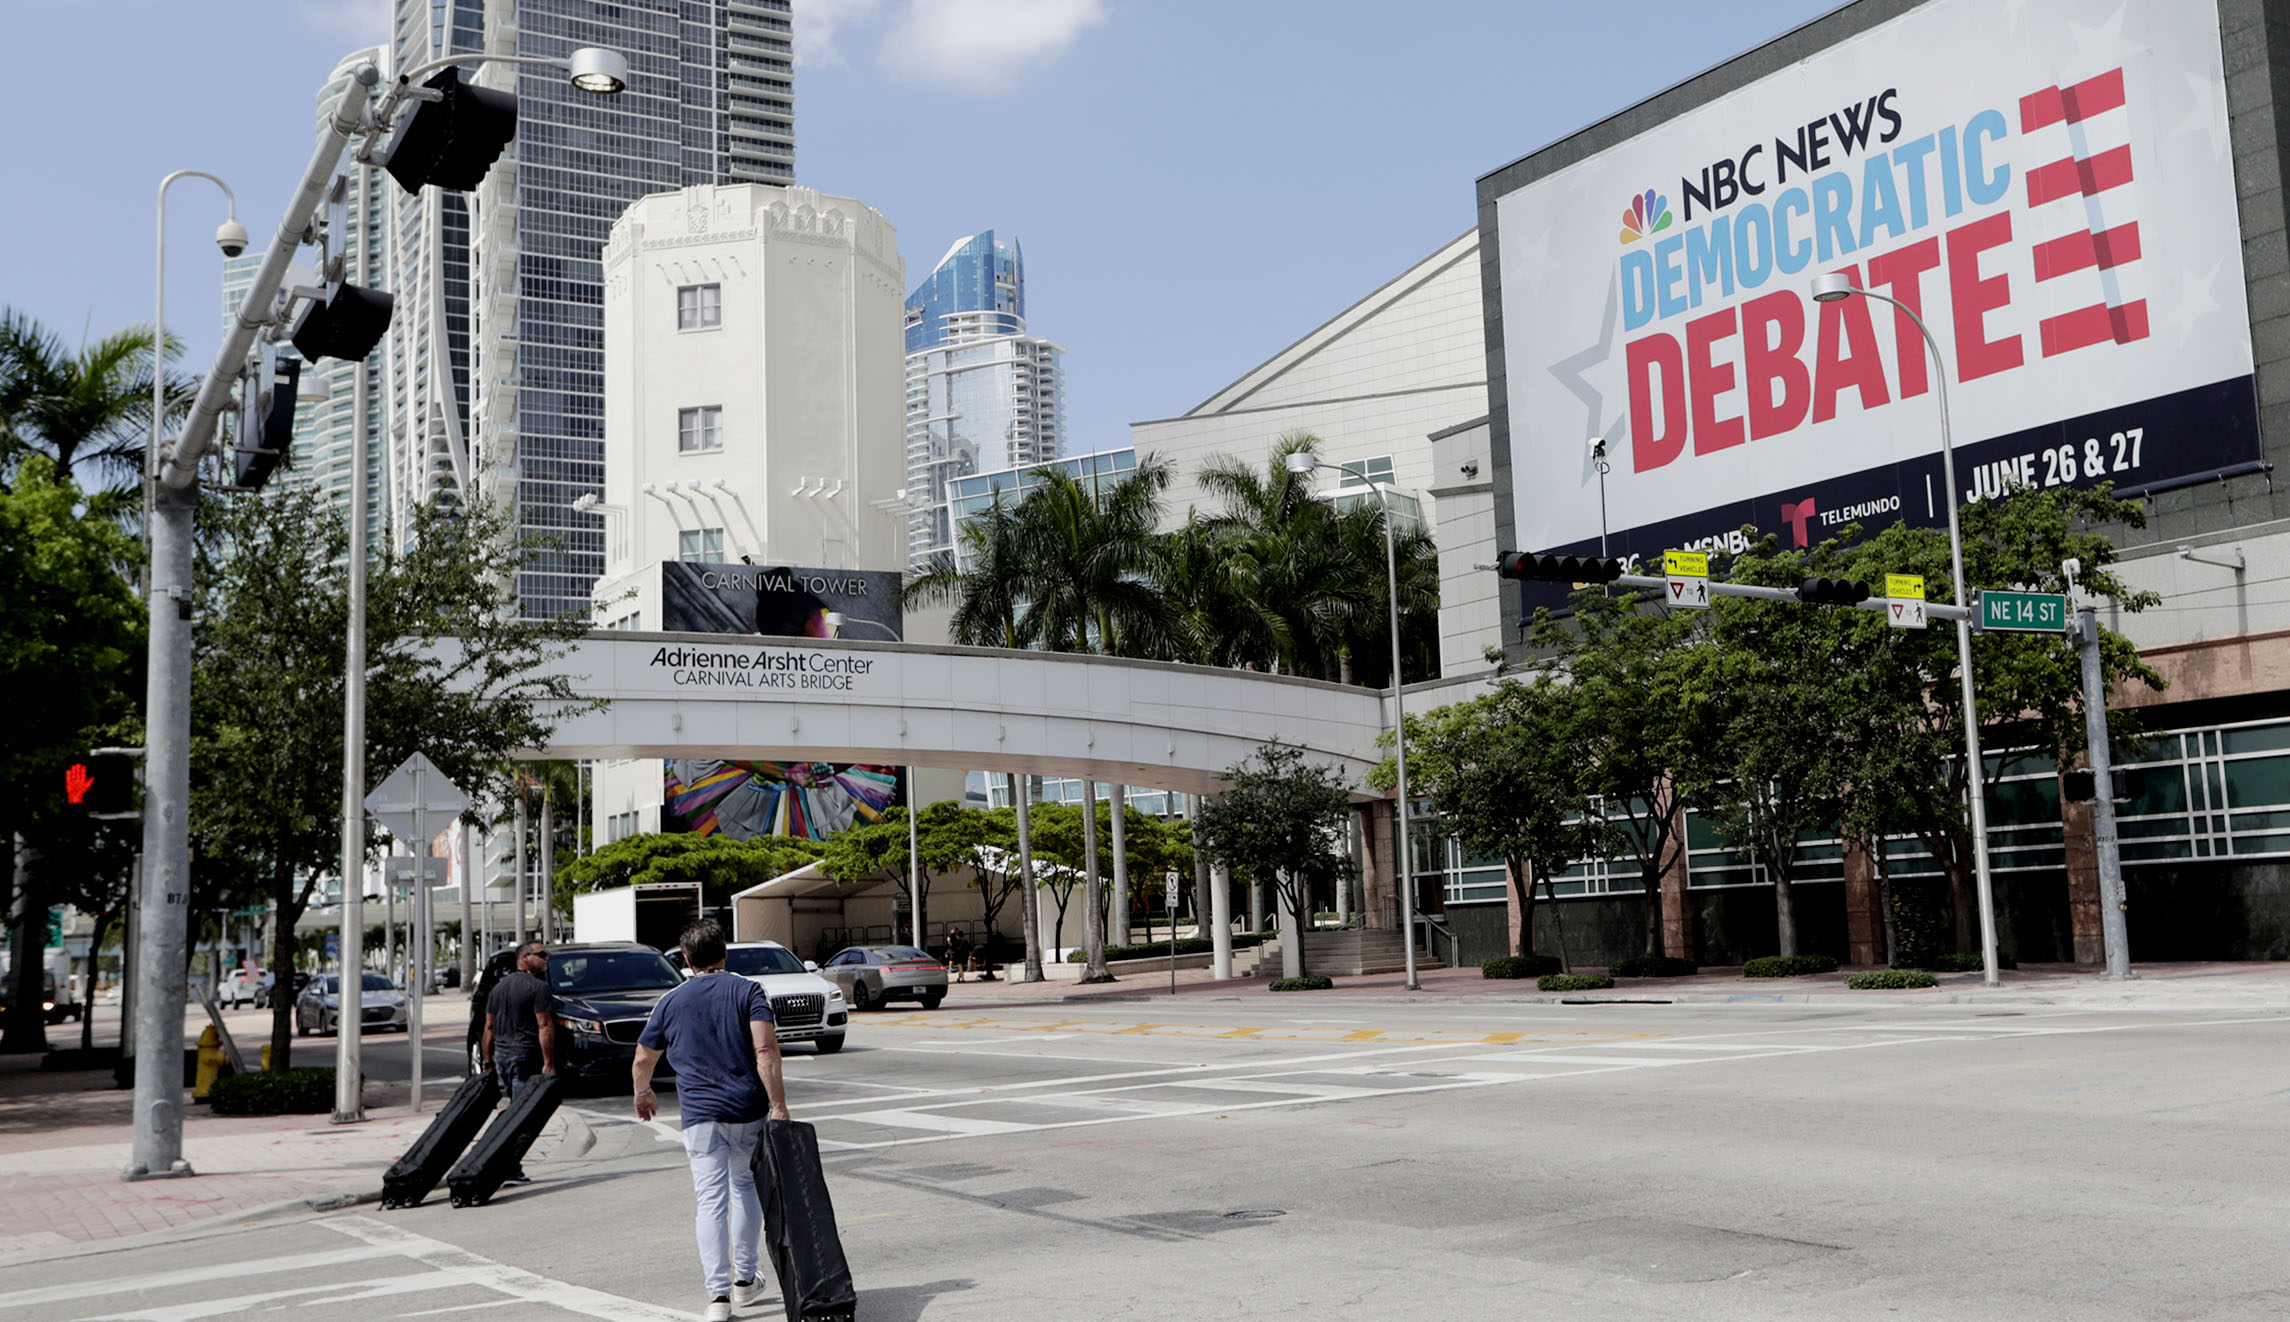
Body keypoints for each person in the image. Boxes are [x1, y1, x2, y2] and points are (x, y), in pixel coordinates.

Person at [634, 920, 789, 1322]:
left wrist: (643, 1092)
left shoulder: (671, 1001)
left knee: (710, 1201)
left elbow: (643, 1058)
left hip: (700, 1115)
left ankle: (717, 1297)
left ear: (686, 960)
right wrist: (778, 1105)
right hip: (747, 1110)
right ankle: (745, 1281)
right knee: (745, 1188)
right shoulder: (748, 990)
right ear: (725, 952)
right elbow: (766, 1051)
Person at [480, 940, 556, 1187]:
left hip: (502, 1056)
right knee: (525, 1115)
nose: (546, 958)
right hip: (524, 1055)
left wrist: (488, 1061)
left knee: (515, 1109)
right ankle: (509, 1167)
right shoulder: (538, 988)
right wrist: (548, 1063)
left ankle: (503, 1161)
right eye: (541, 954)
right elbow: (544, 1026)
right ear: (524, 958)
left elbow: (488, 1028)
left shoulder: (497, 988)